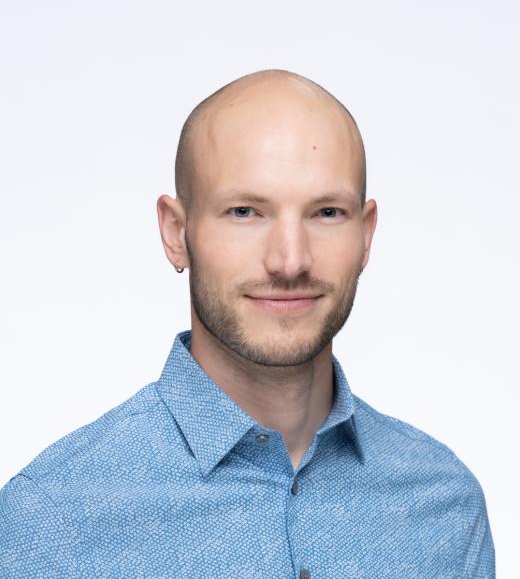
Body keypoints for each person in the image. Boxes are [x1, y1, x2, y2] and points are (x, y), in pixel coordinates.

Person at [0, 69, 495, 578]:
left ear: (366, 236)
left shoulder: (445, 506)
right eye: (244, 211)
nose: (290, 261)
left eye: (326, 212)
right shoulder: (51, 520)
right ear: (176, 232)